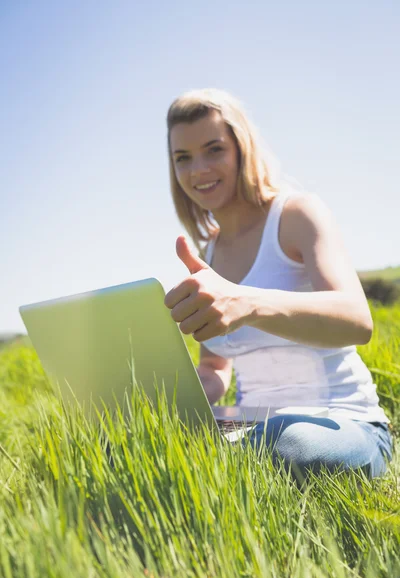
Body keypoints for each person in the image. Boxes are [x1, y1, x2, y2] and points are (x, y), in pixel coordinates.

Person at [163, 88, 393, 481]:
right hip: (249, 423)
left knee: (285, 443)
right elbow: (215, 368)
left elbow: (357, 320)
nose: (198, 169)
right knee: (130, 443)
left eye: (213, 149)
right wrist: (171, 406)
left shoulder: (297, 214)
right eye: (183, 158)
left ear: (242, 148)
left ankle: (230, 461)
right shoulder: (209, 253)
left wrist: (249, 302)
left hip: (339, 422)